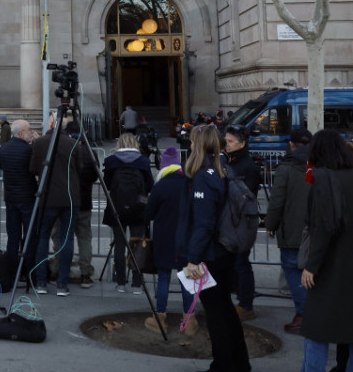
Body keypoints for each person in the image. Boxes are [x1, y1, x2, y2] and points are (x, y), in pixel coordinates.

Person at [299, 130, 353, 372]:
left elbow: (324, 228)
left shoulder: (322, 178)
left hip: (331, 269)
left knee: (316, 332)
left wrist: (311, 266)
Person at [177, 124, 250, 372]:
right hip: (223, 251)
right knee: (225, 309)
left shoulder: (203, 176)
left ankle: (223, 364)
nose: (188, 146)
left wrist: (193, 259)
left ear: (200, 145)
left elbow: (203, 224)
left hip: (210, 254)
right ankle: (239, 362)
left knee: (216, 313)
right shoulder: (221, 170)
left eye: (191, 142)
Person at [265, 127, 313, 333]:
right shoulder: (321, 165)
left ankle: (304, 314)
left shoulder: (287, 168)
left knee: (294, 271)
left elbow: (277, 201)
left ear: (291, 144)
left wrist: (271, 225)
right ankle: (313, 312)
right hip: (316, 230)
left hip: (293, 231)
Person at [144, 146, 196, 334]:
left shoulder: (160, 186)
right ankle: (189, 321)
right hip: (185, 239)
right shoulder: (189, 184)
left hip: (164, 238)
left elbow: (148, 213)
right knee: (186, 279)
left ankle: (160, 317)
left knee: (164, 277)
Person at [30, 111, 81, 296]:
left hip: (47, 197)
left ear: (51, 124)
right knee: (67, 239)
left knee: (42, 237)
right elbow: (80, 168)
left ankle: (41, 282)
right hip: (69, 197)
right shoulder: (73, 143)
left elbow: (34, 168)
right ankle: (62, 283)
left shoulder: (41, 142)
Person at [103, 132, 153, 293]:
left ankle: (120, 282)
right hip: (138, 207)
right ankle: (137, 282)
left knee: (119, 244)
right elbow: (149, 185)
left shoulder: (111, 161)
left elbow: (108, 184)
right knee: (137, 244)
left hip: (117, 206)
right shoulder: (143, 161)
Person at [223, 124, 261, 321]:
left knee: (241, 263)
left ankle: (246, 304)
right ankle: (230, 303)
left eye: (230, 142)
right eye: (226, 141)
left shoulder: (248, 167)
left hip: (241, 222)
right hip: (228, 221)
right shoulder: (228, 161)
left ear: (242, 143)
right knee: (229, 264)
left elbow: (247, 196)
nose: (226, 145)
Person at [0, 119, 37, 262]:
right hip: (27, 197)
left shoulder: (4, 148)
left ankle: (11, 268)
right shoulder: (29, 149)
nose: (32, 132)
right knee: (29, 234)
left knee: (13, 235)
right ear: (21, 133)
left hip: (11, 197)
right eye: (29, 129)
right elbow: (35, 168)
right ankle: (28, 267)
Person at [64, 118, 99, 289]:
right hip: (84, 200)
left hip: (65, 200)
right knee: (84, 238)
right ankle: (85, 274)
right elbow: (95, 174)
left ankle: (60, 270)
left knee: (63, 237)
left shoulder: (63, 149)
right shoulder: (89, 151)